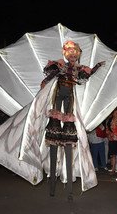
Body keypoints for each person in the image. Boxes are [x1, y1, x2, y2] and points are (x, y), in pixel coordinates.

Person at [41, 40, 105, 198]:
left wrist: (97, 65)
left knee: (69, 115)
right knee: (56, 113)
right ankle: (55, 126)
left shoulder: (78, 68)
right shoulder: (61, 64)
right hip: (59, 91)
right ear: (66, 53)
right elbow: (52, 74)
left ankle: (67, 129)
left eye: (75, 54)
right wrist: (44, 81)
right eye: (70, 53)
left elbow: (88, 74)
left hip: (69, 92)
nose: (73, 57)